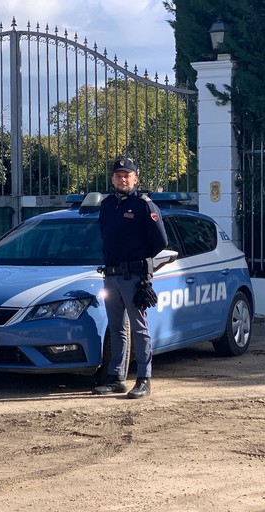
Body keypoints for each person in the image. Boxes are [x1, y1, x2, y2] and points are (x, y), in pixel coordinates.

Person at [93, 157, 168, 399]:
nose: (122, 179)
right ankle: (116, 378)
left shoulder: (144, 205)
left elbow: (161, 242)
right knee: (116, 328)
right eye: (118, 175)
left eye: (127, 175)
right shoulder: (107, 205)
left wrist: (142, 266)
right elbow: (106, 236)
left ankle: (144, 379)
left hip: (134, 277)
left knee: (139, 328)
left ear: (136, 178)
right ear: (112, 179)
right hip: (111, 276)